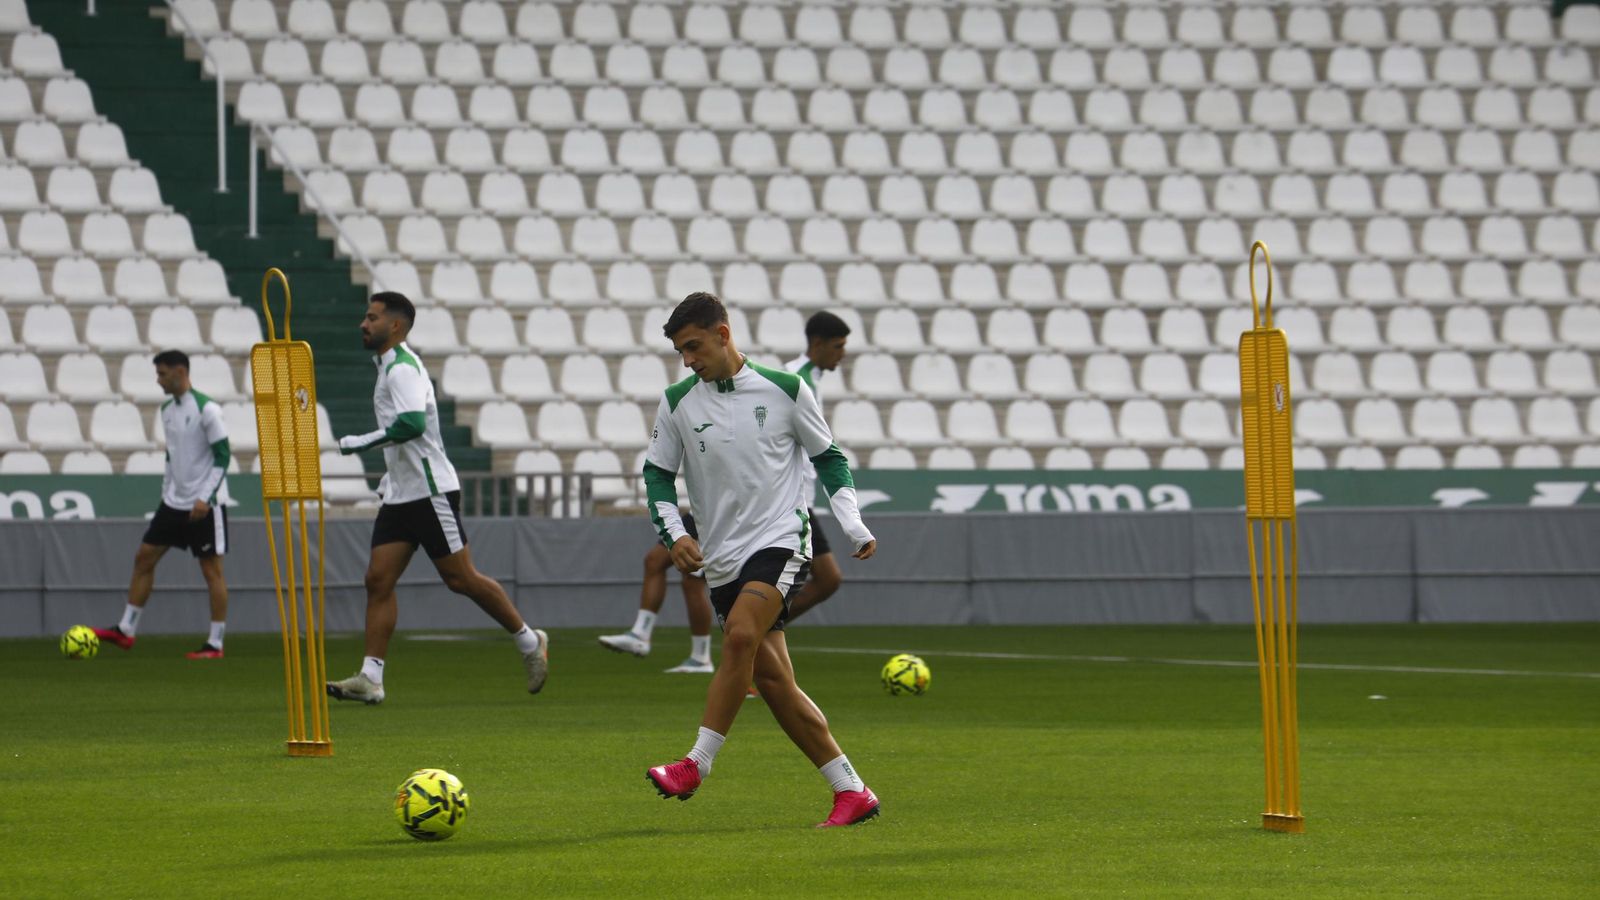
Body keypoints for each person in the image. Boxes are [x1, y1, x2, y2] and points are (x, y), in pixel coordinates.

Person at [641, 292, 882, 828]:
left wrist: (852, 524)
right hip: (721, 559)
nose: (688, 360)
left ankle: (695, 764)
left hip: (780, 540)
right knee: (775, 685)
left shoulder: (786, 389)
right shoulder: (678, 401)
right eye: (681, 352)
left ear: (723, 334)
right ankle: (852, 790)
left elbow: (829, 459)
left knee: (742, 637)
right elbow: (657, 473)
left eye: (694, 347)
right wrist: (675, 532)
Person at [324, 292, 548, 705]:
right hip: (402, 493)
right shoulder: (389, 367)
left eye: (371, 318)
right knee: (377, 580)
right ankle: (371, 678)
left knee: (461, 578)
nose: (363, 324)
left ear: (395, 326)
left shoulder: (403, 369)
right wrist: (389, 477)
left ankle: (529, 640)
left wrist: (360, 443)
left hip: (429, 490)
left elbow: (410, 425)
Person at [95, 350, 232, 659]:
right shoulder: (167, 409)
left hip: (205, 504)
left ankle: (215, 643)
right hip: (175, 502)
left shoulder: (207, 409)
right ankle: (126, 630)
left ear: (180, 372)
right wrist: (166, 493)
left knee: (212, 572)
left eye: (162, 374)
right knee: (144, 557)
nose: (158, 380)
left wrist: (205, 498)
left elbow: (223, 455)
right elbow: (172, 454)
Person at [783, 311, 851, 622]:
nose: (843, 353)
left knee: (827, 579)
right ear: (818, 344)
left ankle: (761, 631)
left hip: (799, 498)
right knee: (827, 578)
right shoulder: (798, 380)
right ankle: (756, 632)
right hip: (790, 499)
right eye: (838, 346)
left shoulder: (810, 378)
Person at [598, 510, 715, 673]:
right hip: (697, 510)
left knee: (691, 581)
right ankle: (642, 633)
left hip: (710, 512)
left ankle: (700, 657)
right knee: (655, 562)